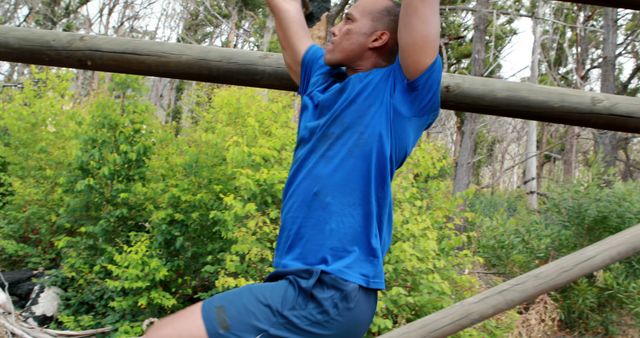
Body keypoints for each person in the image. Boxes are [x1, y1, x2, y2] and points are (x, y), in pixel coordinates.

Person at [144, 0, 441, 336]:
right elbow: (284, 6)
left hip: (329, 290)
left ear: (378, 38)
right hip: (307, 285)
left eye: (348, 20)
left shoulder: (401, 95)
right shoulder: (321, 83)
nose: (334, 27)